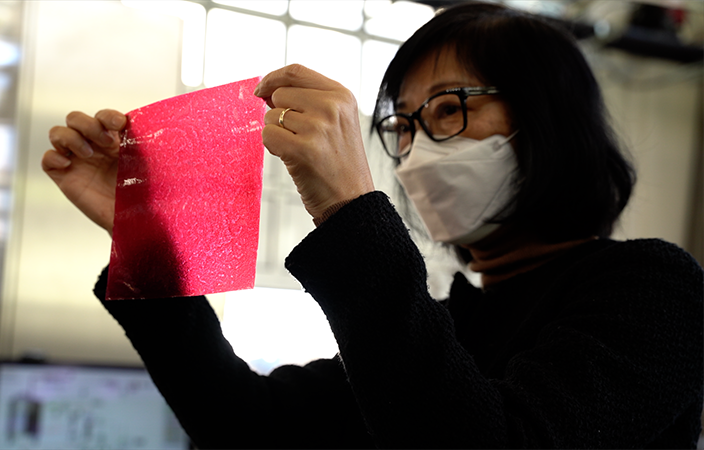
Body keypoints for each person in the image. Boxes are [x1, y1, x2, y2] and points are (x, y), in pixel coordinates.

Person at [42, 2, 704, 449]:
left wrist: (349, 211)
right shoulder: (456, 325)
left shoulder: (655, 289)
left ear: (550, 120)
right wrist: (146, 239)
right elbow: (245, 426)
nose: (417, 151)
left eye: (448, 110)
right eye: (403, 125)